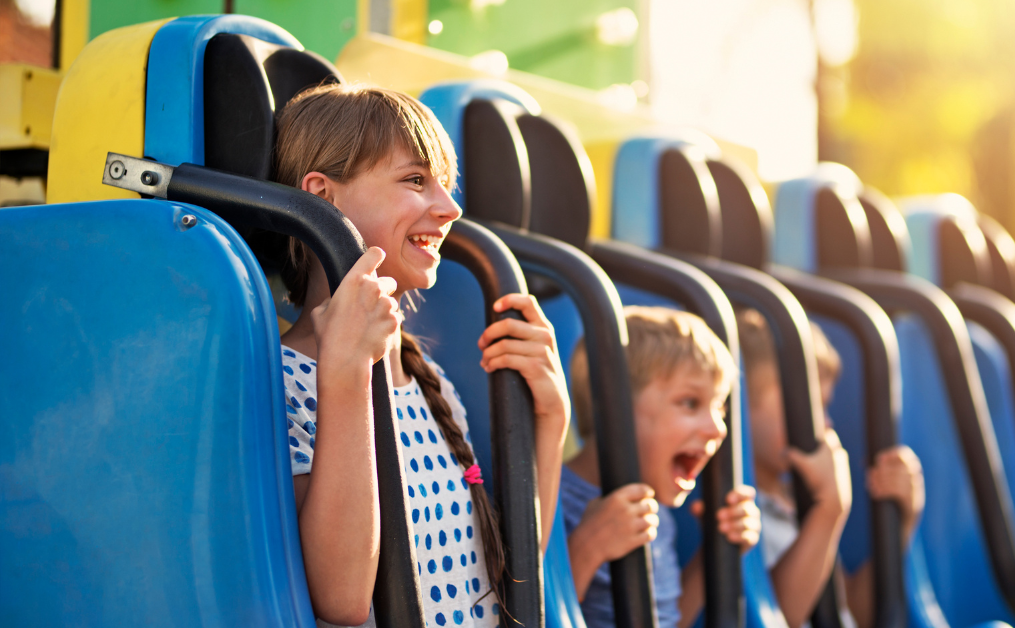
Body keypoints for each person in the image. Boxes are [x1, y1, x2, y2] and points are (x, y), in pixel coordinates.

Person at [272, 83, 571, 628]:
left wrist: (550, 420)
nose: (451, 207)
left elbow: (505, 576)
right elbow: (340, 600)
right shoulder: (282, 381)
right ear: (321, 196)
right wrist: (345, 375)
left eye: (446, 185)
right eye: (415, 180)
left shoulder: (427, 381)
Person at [562, 306, 761, 628]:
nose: (718, 428)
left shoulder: (656, 510)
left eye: (720, 407)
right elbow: (530, 614)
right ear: (614, 406)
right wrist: (586, 549)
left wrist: (719, 550)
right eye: (690, 403)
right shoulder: (553, 502)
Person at [738, 308, 921, 628]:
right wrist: (830, 509)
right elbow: (777, 615)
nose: (825, 424)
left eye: (826, 406)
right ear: (740, 402)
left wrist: (903, 523)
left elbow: (849, 611)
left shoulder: (795, 501)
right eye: (811, 405)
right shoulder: (738, 511)